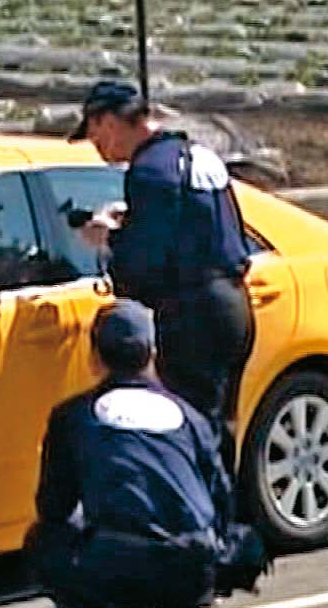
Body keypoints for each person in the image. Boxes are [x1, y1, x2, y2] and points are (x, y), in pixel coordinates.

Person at [28, 300, 238, 608]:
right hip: (195, 569)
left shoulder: (73, 415)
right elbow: (221, 500)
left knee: (46, 539)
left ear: (95, 357)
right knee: (194, 532)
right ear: (153, 354)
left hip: (117, 569)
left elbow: (53, 505)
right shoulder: (191, 417)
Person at [69, 82, 254, 462]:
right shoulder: (191, 153)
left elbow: (145, 264)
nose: (97, 146)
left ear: (110, 121)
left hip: (192, 314)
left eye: (95, 133)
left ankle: (199, 517)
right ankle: (220, 513)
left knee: (187, 431)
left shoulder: (148, 172)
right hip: (233, 305)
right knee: (217, 429)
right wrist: (134, 220)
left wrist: (109, 239)